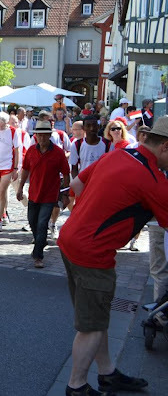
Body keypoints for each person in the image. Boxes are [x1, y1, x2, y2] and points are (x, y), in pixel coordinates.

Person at [58, 116, 168, 396]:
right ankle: (76, 387)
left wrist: (91, 214)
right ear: (165, 147)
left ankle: (107, 374)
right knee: (91, 327)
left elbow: (76, 184)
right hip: (93, 253)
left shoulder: (119, 154)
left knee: (97, 317)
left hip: (70, 239)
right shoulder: (153, 179)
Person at [16, 121, 70, 268]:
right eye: (39, 135)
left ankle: (38, 255)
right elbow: (25, 170)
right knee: (32, 222)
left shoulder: (58, 152)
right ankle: (41, 241)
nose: (41, 138)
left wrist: (65, 194)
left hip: (49, 195)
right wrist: (20, 188)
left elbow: (66, 173)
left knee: (42, 224)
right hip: (34, 193)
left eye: (44, 135)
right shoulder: (31, 151)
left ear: (49, 135)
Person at [0, 111, 21, 231]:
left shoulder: (13, 131)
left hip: (8, 165)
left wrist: (16, 168)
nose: (0, 127)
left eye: (2, 125)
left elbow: (17, 150)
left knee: (2, 191)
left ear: (6, 122)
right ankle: (3, 213)